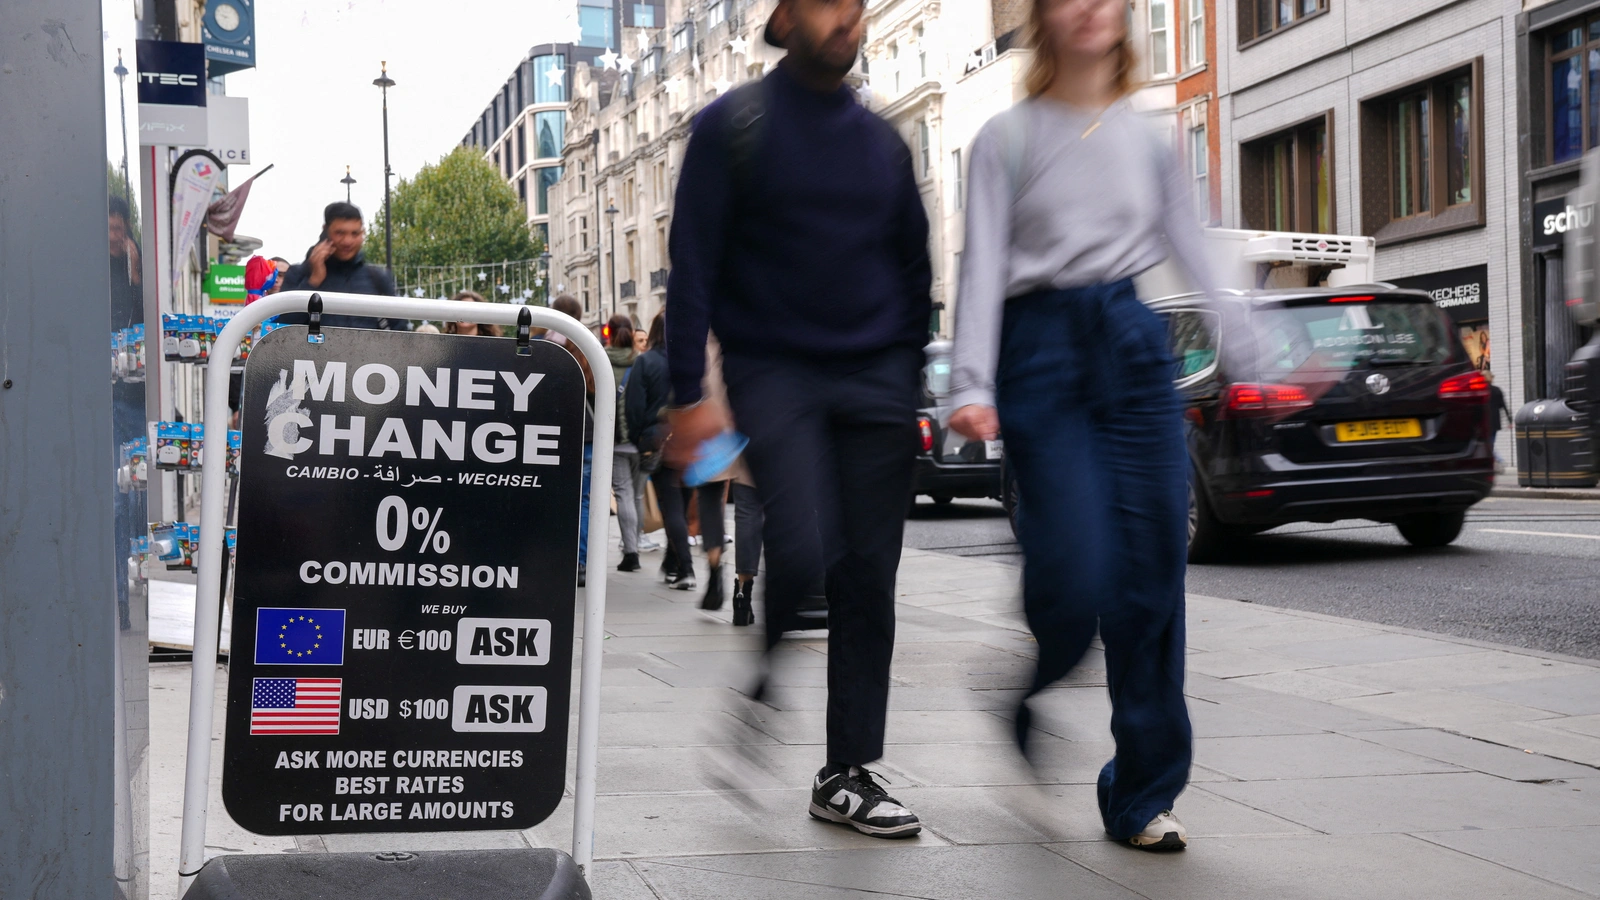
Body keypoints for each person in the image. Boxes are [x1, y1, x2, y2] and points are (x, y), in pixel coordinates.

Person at [947, 0, 1212, 852]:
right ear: (1043, 17)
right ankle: (1035, 678)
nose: (1093, 7)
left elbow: (1193, 245)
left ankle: (1141, 789)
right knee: (1072, 568)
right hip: (1041, 351)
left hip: (1133, 345)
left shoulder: (1147, 140)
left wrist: (1256, 338)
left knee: (1153, 575)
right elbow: (980, 261)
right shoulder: (1006, 138)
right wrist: (971, 381)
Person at [664, 0, 931, 838]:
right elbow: (692, 265)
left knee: (867, 580)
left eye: (856, 3)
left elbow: (913, 263)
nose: (848, 15)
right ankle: (767, 674)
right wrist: (688, 396)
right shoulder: (731, 126)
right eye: (828, 3)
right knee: (807, 544)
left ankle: (846, 771)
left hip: (875, 379)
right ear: (783, 19)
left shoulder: (882, 142)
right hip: (773, 368)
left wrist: (907, 371)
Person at [280, 201, 410, 330]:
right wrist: (313, 282)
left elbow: (402, 333)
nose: (348, 241)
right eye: (340, 233)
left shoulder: (377, 278)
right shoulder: (298, 274)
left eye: (355, 233)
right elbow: (281, 331)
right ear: (325, 231)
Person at [542, 295, 597, 585]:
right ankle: (581, 562)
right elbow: (597, 392)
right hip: (585, 433)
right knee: (584, 501)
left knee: (549, 496)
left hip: (550, 432)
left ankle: (551, 558)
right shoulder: (586, 344)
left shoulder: (545, 343)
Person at [606, 315, 647, 572]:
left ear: (609, 332)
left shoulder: (599, 359)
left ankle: (631, 551)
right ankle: (636, 542)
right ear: (632, 334)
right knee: (638, 495)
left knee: (623, 495)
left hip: (615, 441)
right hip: (642, 441)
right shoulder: (643, 361)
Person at [1487, 370, 1510, 468]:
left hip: (1485, 420)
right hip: (1495, 421)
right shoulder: (1497, 390)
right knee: (1490, 443)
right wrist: (1509, 420)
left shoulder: (1481, 390)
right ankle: (1497, 461)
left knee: (1487, 444)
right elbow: (1503, 406)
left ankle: (1499, 460)